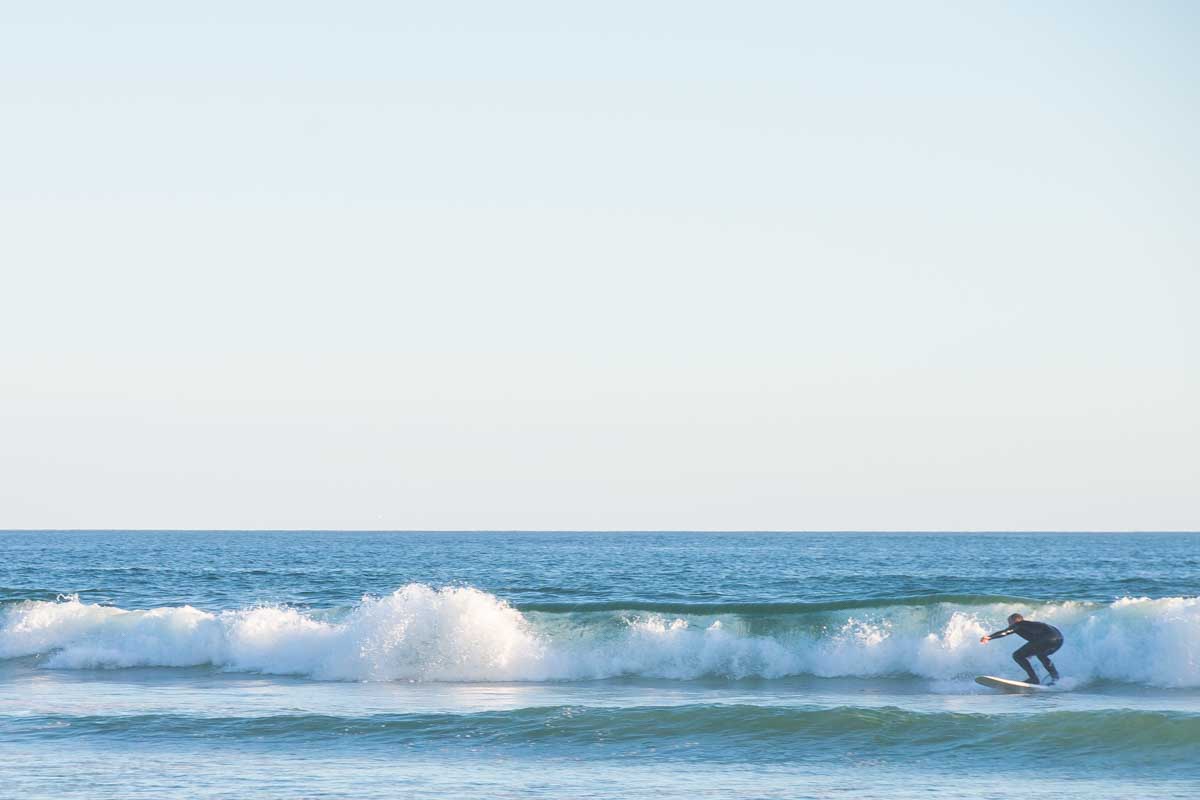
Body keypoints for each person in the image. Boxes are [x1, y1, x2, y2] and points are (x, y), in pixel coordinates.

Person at [979, 613, 1063, 685]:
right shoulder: (1032, 625)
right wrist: (1031, 652)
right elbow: (1039, 637)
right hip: (1059, 640)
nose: (1009, 626)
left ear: (1014, 621)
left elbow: (1006, 632)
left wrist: (989, 637)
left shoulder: (1019, 624)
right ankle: (1055, 677)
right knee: (1041, 655)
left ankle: (1033, 679)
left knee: (1017, 655)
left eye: (1009, 623)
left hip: (1046, 639)